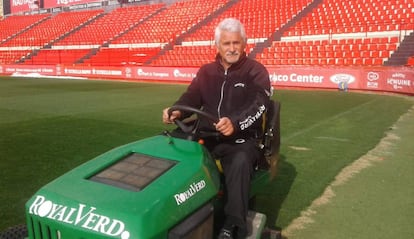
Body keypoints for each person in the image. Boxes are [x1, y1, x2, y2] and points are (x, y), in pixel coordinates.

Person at [162, 18, 271, 239]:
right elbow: (192, 96)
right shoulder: (206, 71)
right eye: (226, 43)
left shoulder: (256, 71)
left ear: (244, 44)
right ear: (217, 46)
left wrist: (235, 123)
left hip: (240, 139)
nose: (232, 48)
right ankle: (172, 213)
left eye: (236, 43)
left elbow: (259, 105)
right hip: (205, 135)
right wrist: (178, 111)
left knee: (240, 161)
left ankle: (233, 225)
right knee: (168, 147)